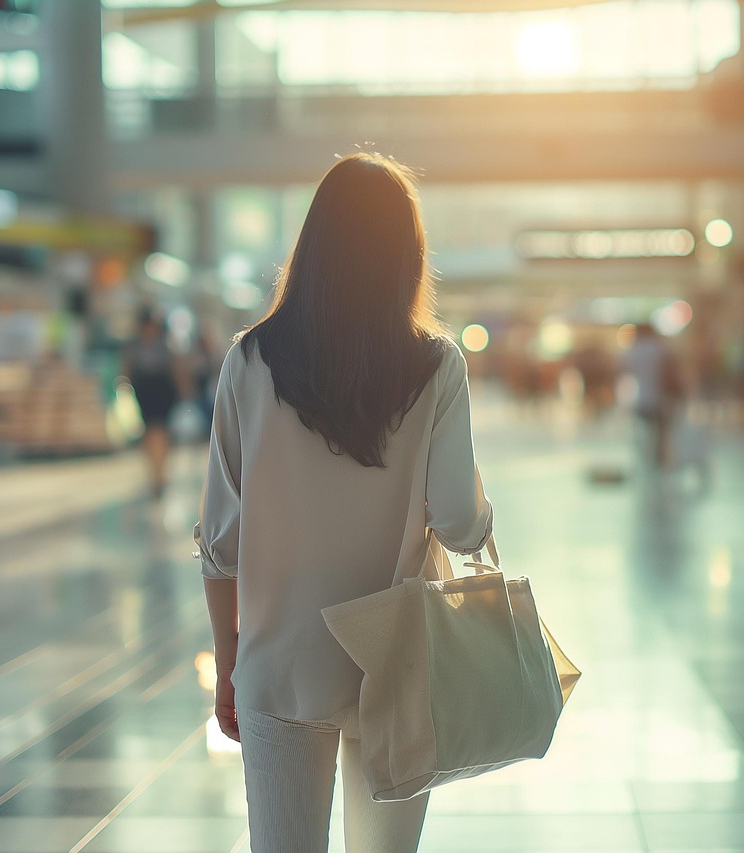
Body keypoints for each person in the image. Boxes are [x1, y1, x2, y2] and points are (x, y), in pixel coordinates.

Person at [195, 153, 493, 853]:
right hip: (394, 663)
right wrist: (481, 514)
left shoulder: (249, 360)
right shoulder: (437, 365)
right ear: (406, 256)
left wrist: (229, 657)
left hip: (279, 662)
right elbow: (458, 521)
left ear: (313, 250)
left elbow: (219, 540)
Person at [123, 309, 188, 498]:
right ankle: (155, 472)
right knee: (150, 433)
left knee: (159, 431)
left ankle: (159, 472)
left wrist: (183, 390)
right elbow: (126, 370)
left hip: (162, 393)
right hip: (143, 392)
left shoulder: (163, 347)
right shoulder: (134, 347)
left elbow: (176, 369)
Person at [621, 323, 680, 468]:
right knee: (660, 433)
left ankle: (644, 457)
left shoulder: (634, 350)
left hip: (641, 399)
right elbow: (670, 372)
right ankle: (659, 460)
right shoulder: (659, 348)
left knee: (643, 432)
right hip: (660, 399)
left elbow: (624, 370)